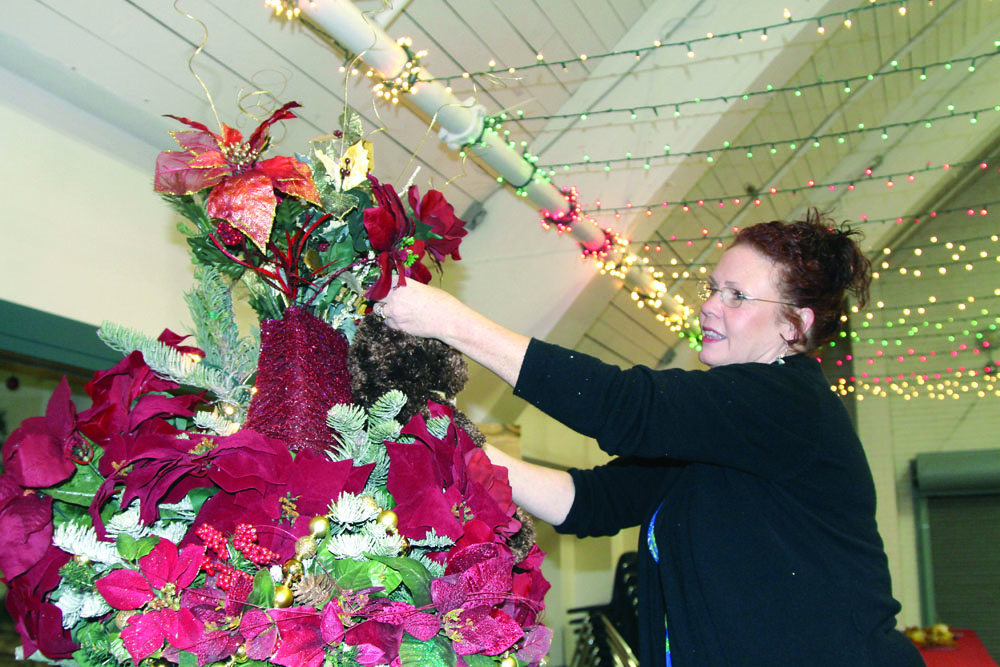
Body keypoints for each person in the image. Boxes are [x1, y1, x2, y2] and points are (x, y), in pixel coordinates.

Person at [375, 211, 924, 666]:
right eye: (714, 288)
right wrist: (461, 450)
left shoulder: (787, 404)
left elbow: (624, 407)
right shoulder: (725, 431)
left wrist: (452, 322)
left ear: (793, 327)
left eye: (737, 296)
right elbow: (593, 503)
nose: (709, 305)